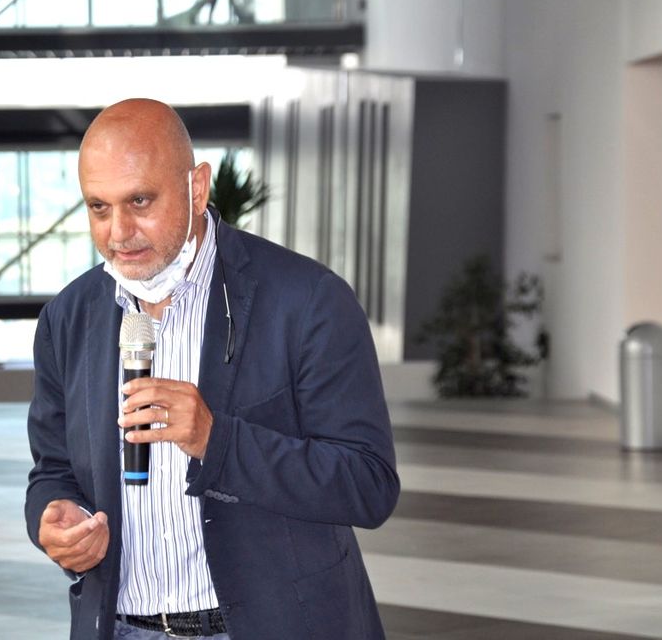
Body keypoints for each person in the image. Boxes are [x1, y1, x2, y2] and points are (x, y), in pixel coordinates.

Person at [26, 98, 399, 640]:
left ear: (196, 188)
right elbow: (53, 469)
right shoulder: (68, 317)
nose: (119, 231)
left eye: (140, 200)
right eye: (99, 208)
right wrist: (55, 516)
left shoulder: (308, 300)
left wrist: (216, 441)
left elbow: (368, 484)